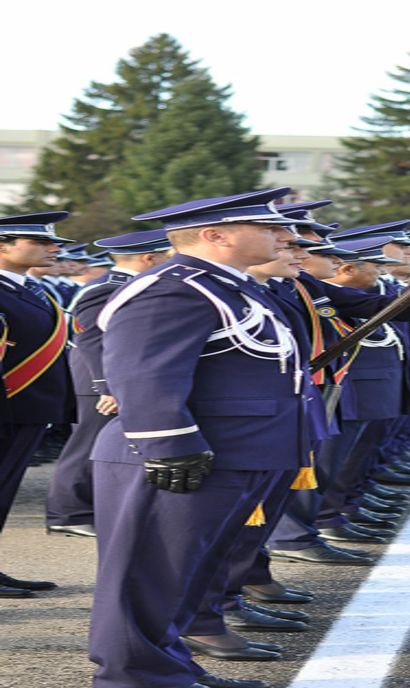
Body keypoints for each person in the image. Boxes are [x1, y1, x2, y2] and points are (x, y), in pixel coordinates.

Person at [88, 187, 308, 688]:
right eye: (269, 228)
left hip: (231, 453)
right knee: (148, 578)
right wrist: (168, 444)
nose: (286, 235)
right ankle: (135, 678)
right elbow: (144, 372)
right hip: (181, 455)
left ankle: (168, 668)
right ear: (215, 235)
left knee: (188, 576)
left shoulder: (230, 284)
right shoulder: (174, 287)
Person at [46, 228, 173, 538]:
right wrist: (108, 386)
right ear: (149, 258)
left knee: (109, 445)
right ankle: (68, 513)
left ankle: (92, 508)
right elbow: (91, 339)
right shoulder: (106, 288)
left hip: (118, 377)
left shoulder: (133, 284)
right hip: (98, 378)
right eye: (167, 255)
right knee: (86, 444)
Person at [0, 212, 76, 598]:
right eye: (40, 241)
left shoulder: (31, 290)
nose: (54, 248)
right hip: (8, 409)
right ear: (3, 246)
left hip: (27, 410)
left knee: (4, 492)